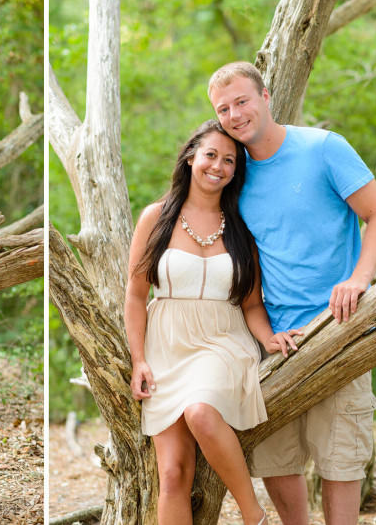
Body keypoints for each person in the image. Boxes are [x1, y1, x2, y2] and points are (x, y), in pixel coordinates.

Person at [207, 61, 376, 525]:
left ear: (266, 96)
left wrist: (360, 278)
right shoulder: (236, 173)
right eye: (223, 108)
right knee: (277, 458)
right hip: (274, 340)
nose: (235, 114)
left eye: (242, 101)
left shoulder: (323, 148)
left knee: (341, 461)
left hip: (340, 327)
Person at [126, 120, 294, 525]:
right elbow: (135, 295)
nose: (218, 166)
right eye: (211, 155)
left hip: (222, 341)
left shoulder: (240, 227)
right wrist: (138, 360)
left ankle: (253, 515)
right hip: (165, 345)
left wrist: (269, 339)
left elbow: (252, 304)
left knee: (201, 412)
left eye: (229, 160)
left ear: (237, 170)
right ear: (190, 158)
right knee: (172, 473)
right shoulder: (156, 217)